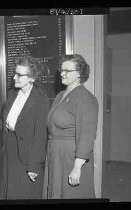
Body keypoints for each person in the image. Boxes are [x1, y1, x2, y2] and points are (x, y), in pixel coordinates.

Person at [0, 55, 50, 199]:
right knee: (8, 192)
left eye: (19, 75)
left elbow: (41, 136)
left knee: (23, 193)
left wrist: (34, 165)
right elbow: (6, 122)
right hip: (9, 151)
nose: (14, 77)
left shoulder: (41, 100)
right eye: (14, 73)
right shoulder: (12, 94)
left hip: (27, 156)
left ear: (32, 79)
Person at [42, 54, 99, 199]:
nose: (62, 73)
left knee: (71, 194)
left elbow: (87, 136)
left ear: (79, 74)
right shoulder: (60, 94)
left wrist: (77, 167)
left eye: (67, 71)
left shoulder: (86, 98)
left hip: (71, 157)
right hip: (56, 153)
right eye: (62, 70)